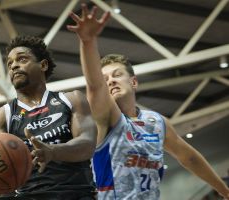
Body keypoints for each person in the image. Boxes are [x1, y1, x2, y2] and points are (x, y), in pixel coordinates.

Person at [67, 4, 229, 200]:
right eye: (106, 78)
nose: (111, 80)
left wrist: (224, 190)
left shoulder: (157, 122)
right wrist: (88, 41)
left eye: (117, 75)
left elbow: (190, 157)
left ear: (133, 82)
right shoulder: (106, 116)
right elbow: (95, 86)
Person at [0, 35, 97, 200]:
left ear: (43, 65)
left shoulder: (71, 99)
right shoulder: (0, 117)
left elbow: (88, 143)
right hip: (29, 195)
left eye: (22, 59)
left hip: (75, 193)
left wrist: (52, 151)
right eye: (10, 63)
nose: (14, 65)